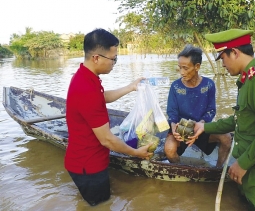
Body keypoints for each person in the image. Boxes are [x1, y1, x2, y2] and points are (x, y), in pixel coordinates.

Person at [193, 29, 255, 210]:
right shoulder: (248, 79)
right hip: (254, 172)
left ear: (235, 52)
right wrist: (205, 127)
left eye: (223, 58)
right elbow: (239, 120)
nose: (222, 64)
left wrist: (243, 163)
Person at [64, 28, 153, 206]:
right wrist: (135, 153)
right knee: (100, 205)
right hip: (88, 166)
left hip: (87, 160)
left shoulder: (86, 76)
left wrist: (130, 87)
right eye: (113, 59)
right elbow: (107, 140)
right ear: (96, 57)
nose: (115, 63)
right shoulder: (86, 87)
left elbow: (102, 98)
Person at [164, 44, 231, 167]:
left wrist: (199, 125)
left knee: (226, 138)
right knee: (169, 149)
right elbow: (172, 112)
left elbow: (211, 111)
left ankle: (218, 170)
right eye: (180, 68)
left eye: (185, 68)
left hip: (202, 127)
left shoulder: (208, 85)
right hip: (180, 129)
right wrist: (174, 126)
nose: (182, 72)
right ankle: (182, 169)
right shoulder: (176, 86)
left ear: (197, 66)